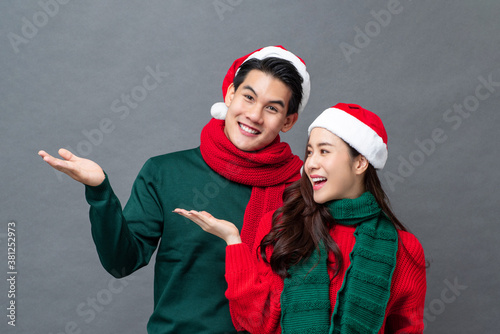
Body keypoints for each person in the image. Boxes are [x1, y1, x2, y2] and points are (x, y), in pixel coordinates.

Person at [38, 46, 311, 333]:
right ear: (230, 94)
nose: (255, 115)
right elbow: (121, 263)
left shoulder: (299, 189)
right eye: (248, 97)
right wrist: (99, 192)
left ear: (288, 121)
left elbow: (310, 292)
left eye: (272, 108)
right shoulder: (164, 173)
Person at [175, 103, 427, 333]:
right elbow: (255, 321)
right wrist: (233, 241)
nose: (310, 164)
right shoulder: (284, 226)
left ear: (360, 162)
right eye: (309, 152)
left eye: (324, 151)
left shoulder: (403, 249)